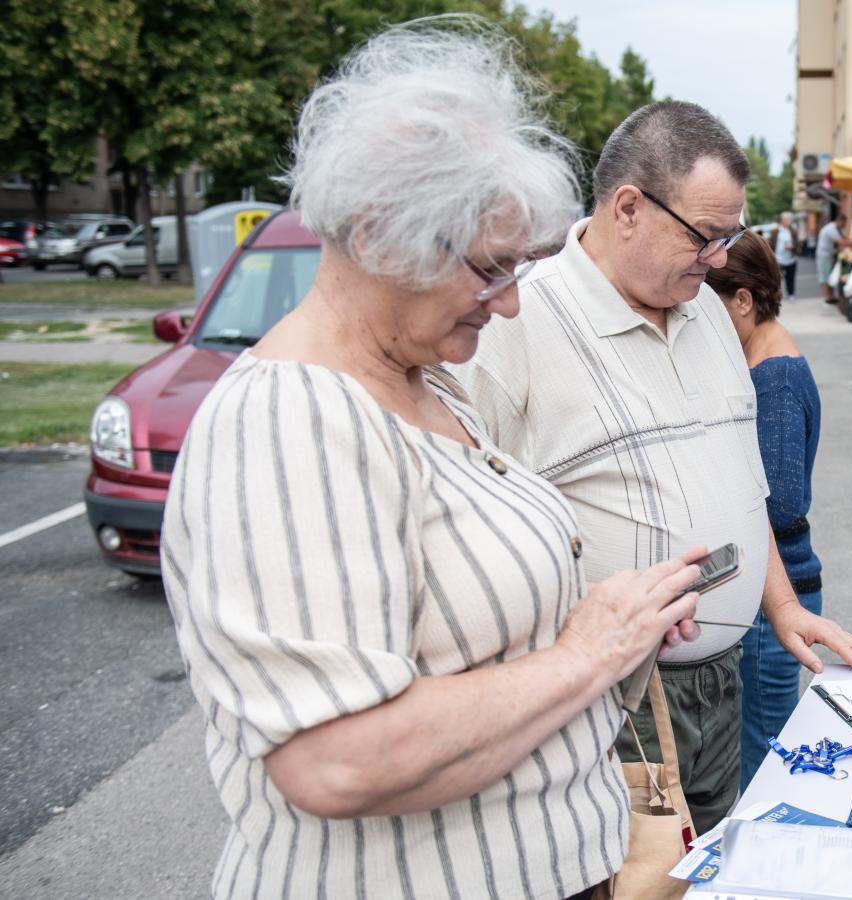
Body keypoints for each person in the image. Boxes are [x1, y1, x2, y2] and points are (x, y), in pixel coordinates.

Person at [160, 19, 707, 900]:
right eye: (492, 269)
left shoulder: (426, 385)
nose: (512, 304)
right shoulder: (285, 420)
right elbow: (337, 759)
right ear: (381, 238)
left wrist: (619, 622)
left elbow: (480, 644)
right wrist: (585, 653)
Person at [452, 100, 852, 834]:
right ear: (627, 208)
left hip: (721, 684)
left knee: (703, 864)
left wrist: (780, 607)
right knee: (624, 874)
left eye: (730, 237)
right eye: (706, 236)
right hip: (614, 702)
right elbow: (461, 533)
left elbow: (744, 487)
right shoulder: (519, 325)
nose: (719, 258)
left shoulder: (708, 313)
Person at [704, 232, 824, 788]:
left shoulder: (773, 377)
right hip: (770, 592)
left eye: (710, 305)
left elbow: (782, 502)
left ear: (744, 300)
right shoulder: (764, 361)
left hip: (775, 595)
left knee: (763, 766)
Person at [815, 208, 852, 304]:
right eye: (844, 223)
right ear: (840, 221)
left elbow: (845, 239)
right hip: (824, 255)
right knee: (824, 276)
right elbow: (842, 242)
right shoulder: (831, 229)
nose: (845, 226)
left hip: (829, 254)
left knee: (829, 276)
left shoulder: (837, 229)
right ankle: (827, 297)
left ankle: (831, 296)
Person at [772, 210, 799, 300]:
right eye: (788, 219)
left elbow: (798, 243)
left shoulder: (793, 231)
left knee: (790, 277)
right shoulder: (776, 231)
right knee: (777, 278)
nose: (790, 221)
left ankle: (791, 294)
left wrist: (792, 246)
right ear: (782, 220)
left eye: (790, 219)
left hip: (791, 258)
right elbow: (771, 243)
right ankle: (777, 294)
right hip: (778, 259)